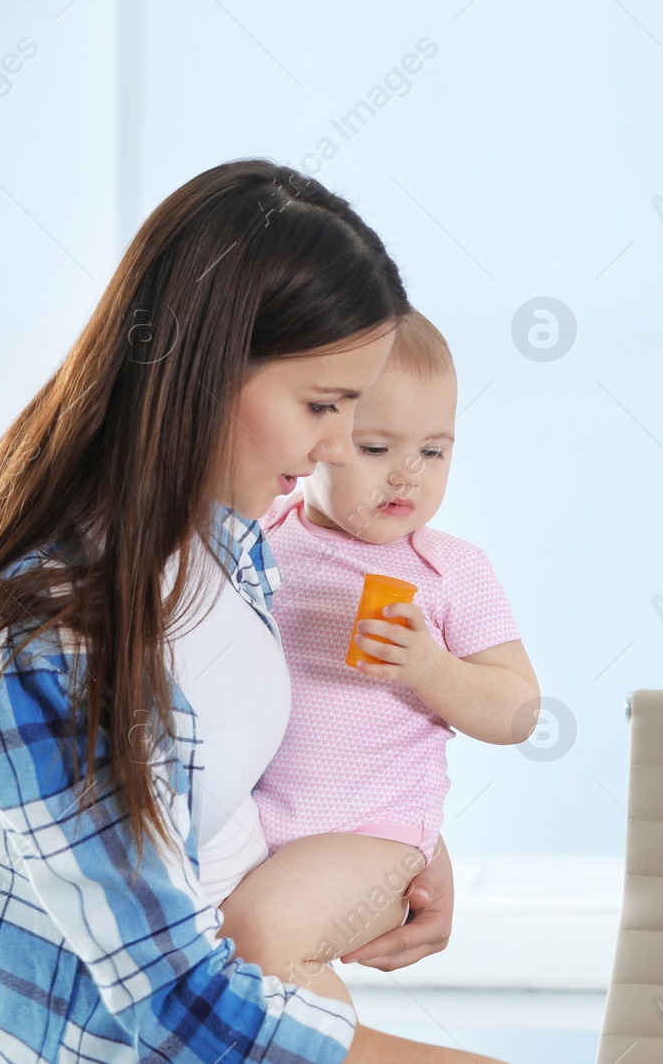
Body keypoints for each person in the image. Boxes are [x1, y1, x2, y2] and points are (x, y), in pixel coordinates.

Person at [0, 159, 503, 1063]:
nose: (335, 450)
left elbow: (224, 784)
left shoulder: (230, 536)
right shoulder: (43, 638)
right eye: (323, 406)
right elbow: (177, 1003)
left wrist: (387, 843)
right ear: (206, 369)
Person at [209, 308, 540, 1001]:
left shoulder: (450, 571)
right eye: (376, 448)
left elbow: (517, 709)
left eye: (434, 450)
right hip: (256, 828)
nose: (406, 477)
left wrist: (432, 668)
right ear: (321, 440)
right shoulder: (260, 534)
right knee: (265, 979)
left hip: (374, 839)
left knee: (258, 936)